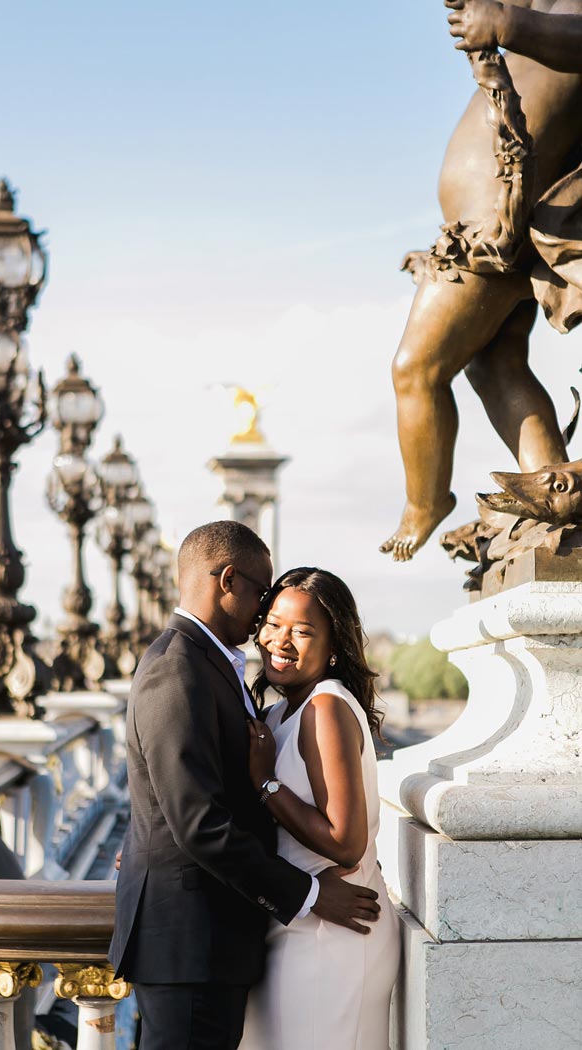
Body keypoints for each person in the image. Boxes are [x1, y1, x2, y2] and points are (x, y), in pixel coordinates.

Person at [109, 521, 381, 1050]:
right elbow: (196, 821)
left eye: (297, 628)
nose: (263, 617)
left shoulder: (210, 665)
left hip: (221, 941)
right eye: (262, 595)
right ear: (228, 581)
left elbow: (195, 798)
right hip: (191, 943)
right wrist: (307, 895)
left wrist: (152, 838)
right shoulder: (178, 668)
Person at [380, 0, 582, 562]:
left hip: (498, 225)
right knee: (496, 363)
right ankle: (555, 497)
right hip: (487, 220)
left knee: (416, 368)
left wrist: (508, 25)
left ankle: (426, 501)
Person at [239, 567, 400, 1050]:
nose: (281, 640)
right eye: (273, 623)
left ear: (334, 647)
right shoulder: (280, 712)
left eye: (303, 631)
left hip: (333, 937)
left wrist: (266, 784)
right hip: (300, 925)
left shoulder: (325, 708)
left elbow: (346, 843)